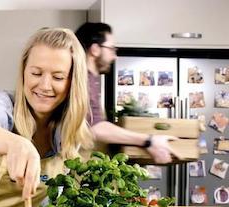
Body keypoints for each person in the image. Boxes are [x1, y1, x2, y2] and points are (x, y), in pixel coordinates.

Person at [0, 28, 93, 207]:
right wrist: (18, 144)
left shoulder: (67, 130)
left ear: (72, 83)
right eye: (36, 73)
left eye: (58, 77)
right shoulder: (1, 105)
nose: (45, 85)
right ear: (23, 72)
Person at [75, 22, 178, 164]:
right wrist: (148, 141)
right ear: (95, 49)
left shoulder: (92, 80)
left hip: (90, 167)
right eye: (111, 49)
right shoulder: (82, 80)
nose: (114, 56)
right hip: (79, 169)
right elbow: (94, 128)